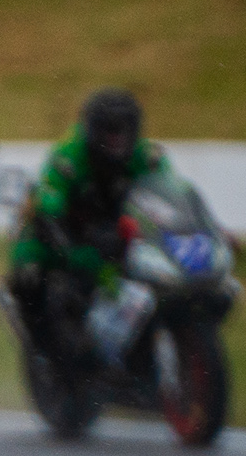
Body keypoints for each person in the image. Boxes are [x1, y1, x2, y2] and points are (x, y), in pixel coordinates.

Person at [11, 88, 176, 363]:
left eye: (123, 130)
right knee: (30, 274)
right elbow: (48, 208)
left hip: (124, 239)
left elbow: (173, 197)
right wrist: (73, 249)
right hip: (71, 236)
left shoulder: (149, 158)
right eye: (109, 130)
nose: (116, 139)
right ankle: (45, 354)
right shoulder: (67, 157)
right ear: (91, 129)